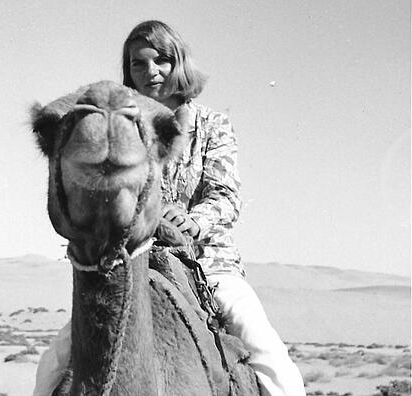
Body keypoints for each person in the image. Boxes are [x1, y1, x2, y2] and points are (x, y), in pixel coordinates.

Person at [34, 20, 306, 396]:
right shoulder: (120, 127)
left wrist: (193, 221)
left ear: (178, 62)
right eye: (137, 64)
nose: (150, 72)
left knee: (275, 367)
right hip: (133, 262)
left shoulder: (214, 126)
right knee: (54, 365)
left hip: (207, 264)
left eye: (160, 60)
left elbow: (225, 195)